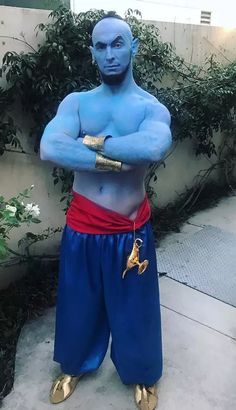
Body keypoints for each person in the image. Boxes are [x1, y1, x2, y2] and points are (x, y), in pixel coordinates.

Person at [40, 11, 172, 410]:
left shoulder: (151, 107)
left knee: (136, 309)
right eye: (101, 46)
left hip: (130, 230)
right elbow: (50, 147)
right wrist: (115, 156)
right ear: (92, 53)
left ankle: (142, 375)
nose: (110, 53)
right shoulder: (76, 101)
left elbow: (151, 148)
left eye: (118, 44)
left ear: (133, 47)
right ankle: (75, 364)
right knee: (79, 301)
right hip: (83, 225)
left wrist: (90, 142)